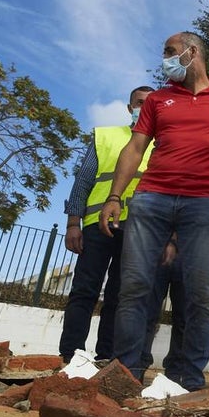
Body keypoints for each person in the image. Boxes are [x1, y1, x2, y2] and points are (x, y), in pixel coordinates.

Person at [100, 33, 209, 389]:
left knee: (201, 293)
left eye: (169, 51)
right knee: (134, 287)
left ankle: (186, 380)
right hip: (151, 199)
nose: (165, 58)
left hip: (205, 204)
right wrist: (114, 197)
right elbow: (135, 148)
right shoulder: (159, 100)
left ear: (191, 52)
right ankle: (126, 375)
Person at [58, 86, 154, 363]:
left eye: (150, 104)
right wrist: (72, 223)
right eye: (139, 103)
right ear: (129, 108)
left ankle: (107, 358)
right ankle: (70, 355)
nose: (143, 108)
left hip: (139, 230)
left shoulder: (162, 145)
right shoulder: (106, 137)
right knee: (84, 290)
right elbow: (83, 181)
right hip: (96, 225)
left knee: (120, 296)